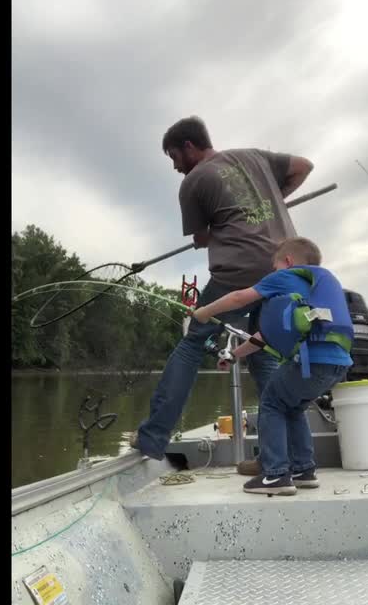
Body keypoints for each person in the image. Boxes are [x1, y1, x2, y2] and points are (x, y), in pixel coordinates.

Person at [130, 116, 313, 470]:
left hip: (237, 273)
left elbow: (201, 238)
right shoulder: (255, 157)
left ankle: (153, 437)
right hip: (284, 269)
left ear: (189, 146)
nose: (174, 167)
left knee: (192, 341)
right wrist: (274, 200)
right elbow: (303, 167)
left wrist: (229, 223)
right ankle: (287, 455)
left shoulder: (194, 182)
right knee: (263, 350)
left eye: (174, 157)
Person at [191, 237, 353, 495]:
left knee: (271, 403)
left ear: (287, 261)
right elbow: (265, 336)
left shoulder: (283, 277)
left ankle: (276, 474)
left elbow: (237, 298)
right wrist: (234, 354)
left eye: (274, 266)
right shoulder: (314, 287)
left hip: (311, 361)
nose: (273, 271)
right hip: (337, 365)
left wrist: (202, 312)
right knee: (293, 408)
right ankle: (304, 470)